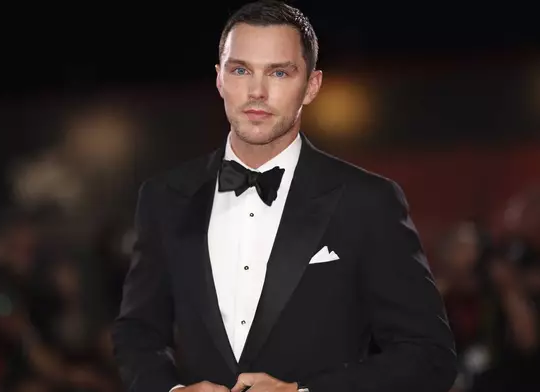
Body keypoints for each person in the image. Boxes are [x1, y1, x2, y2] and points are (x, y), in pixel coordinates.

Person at [111, 1, 457, 391]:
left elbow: (429, 356)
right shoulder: (163, 198)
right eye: (240, 70)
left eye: (279, 72)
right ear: (219, 79)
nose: (257, 91)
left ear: (312, 85)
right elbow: (138, 332)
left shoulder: (368, 202)